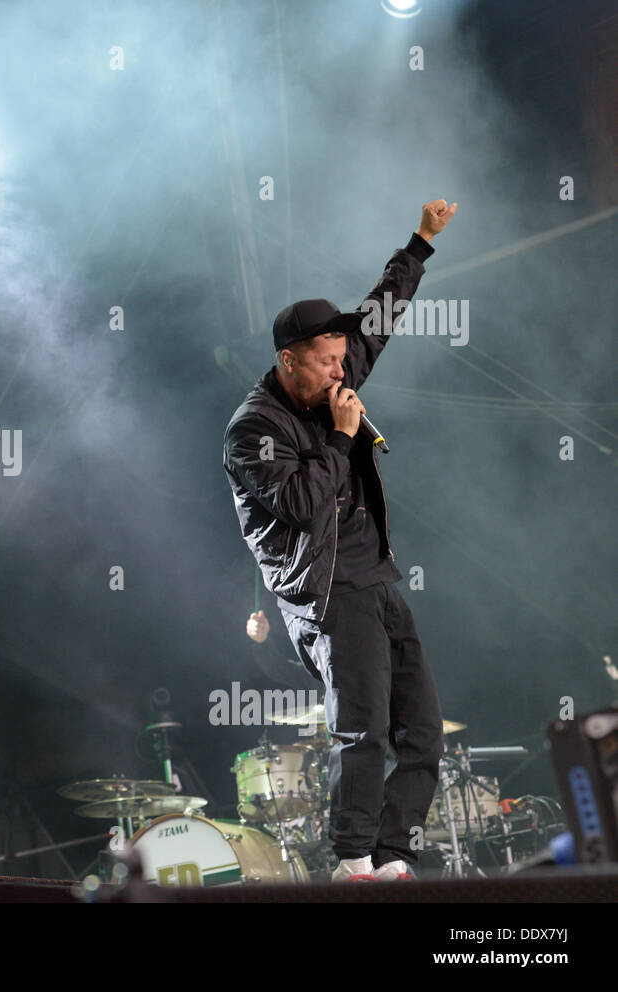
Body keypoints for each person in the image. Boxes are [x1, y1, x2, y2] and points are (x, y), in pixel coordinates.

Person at [222, 200, 458, 881]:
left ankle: (393, 858)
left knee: (423, 734)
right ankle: (353, 862)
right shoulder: (252, 429)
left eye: (339, 360)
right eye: (324, 362)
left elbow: (380, 316)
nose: (339, 373)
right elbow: (299, 502)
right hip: (326, 592)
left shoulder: (336, 370)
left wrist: (420, 242)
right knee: (363, 733)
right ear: (289, 361)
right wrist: (341, 437)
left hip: (377, 578)